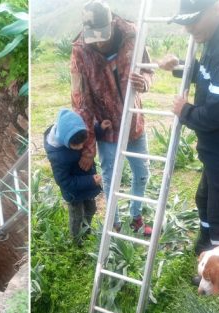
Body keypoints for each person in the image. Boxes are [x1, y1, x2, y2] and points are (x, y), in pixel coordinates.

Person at [159, 0, 219, 254]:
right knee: (203, 200)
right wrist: (180, 65)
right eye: (186, 22)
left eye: (195, 20)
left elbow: (217, 114)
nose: (189, 28)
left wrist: (185, 111)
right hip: (213, 152)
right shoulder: (212, 37)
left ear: (216, 8)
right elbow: (205, 72)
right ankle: (205, 247)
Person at [71, 0, 153, 236]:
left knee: (142, 173)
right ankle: (114, 223)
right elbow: (81, 101)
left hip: (134, 122)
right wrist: (88, 145)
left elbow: (148, 68)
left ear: (112, 23)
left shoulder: (132, 34)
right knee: (109, 176)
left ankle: (136, 217)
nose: (99, 41)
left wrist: (145, 82)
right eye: (93, 37)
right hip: (106, 128)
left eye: (102, 35)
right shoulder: (80, 51)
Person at [44, 108, 102, 245]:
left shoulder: (74, 134)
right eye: (77, 145)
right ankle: (76, 241)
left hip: (87, 185)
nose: (82, 147)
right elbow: (63, 181)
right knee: (77, 216)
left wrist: (100, 128)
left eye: (83, 142)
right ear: (64, 139)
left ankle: (86, 230)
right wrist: (90, 180)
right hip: (74, 193)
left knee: (91, 209)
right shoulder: (59, 156)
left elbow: (90, 134)